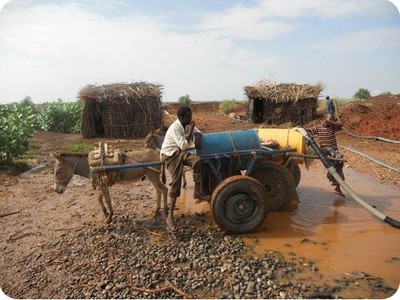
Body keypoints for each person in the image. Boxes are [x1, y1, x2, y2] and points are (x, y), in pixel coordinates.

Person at [160, 106, 210, 230]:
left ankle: (197, 193)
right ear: (181, 118)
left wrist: (196, 134)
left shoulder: (186, 124)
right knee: (176, 182)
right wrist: (191, 131)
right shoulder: (175, 128)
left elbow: (199, 133)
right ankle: (169, 217)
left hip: (180, 152)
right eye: (189, 117)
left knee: (198, 162)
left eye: (191, 116)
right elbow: (183, 145)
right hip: (170, 154)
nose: (191, 119)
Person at [308, 113, 346, 197]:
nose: (331, 121)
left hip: (334, 150)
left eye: (332, 119)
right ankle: (332, 178)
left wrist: (331, 122)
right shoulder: (319, 127)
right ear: (323, 120)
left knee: (340, 163)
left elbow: (341, 125)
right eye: (329, 119)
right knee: (335, 161)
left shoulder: (332, 127)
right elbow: (309, 131)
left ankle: (337, 186)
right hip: (325, 150)